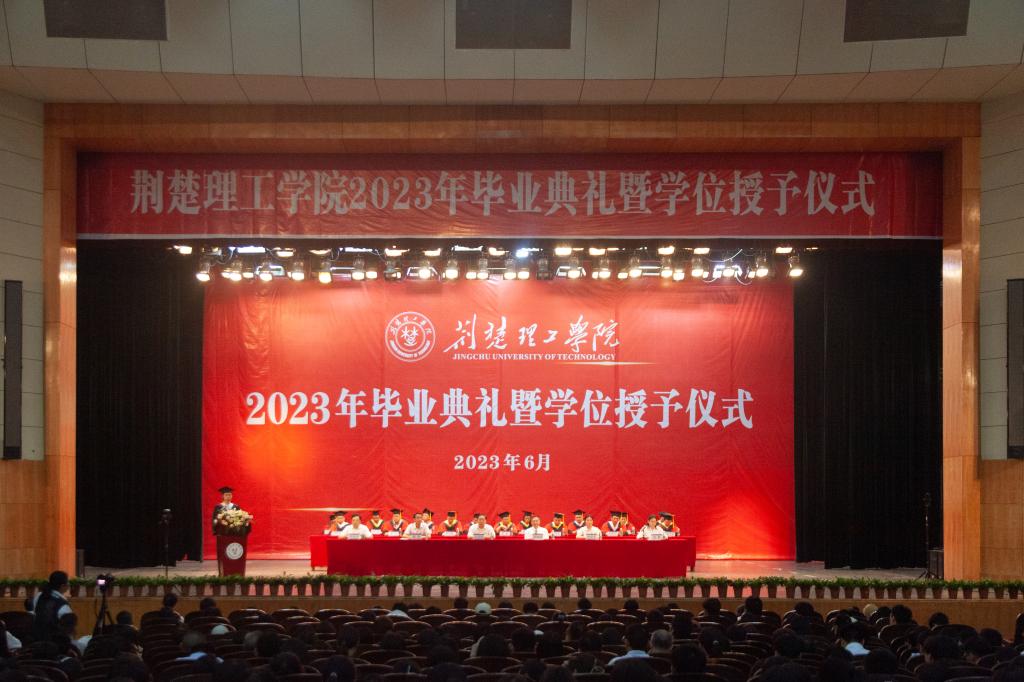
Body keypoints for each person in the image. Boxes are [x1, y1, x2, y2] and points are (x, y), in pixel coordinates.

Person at [32, 570, 73, 641]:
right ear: (63, 586)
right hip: (56, 643)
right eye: (68, 582)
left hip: (37, 640)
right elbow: (68, 633)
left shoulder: (38, 596)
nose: (69, 585)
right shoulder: (63, 606)